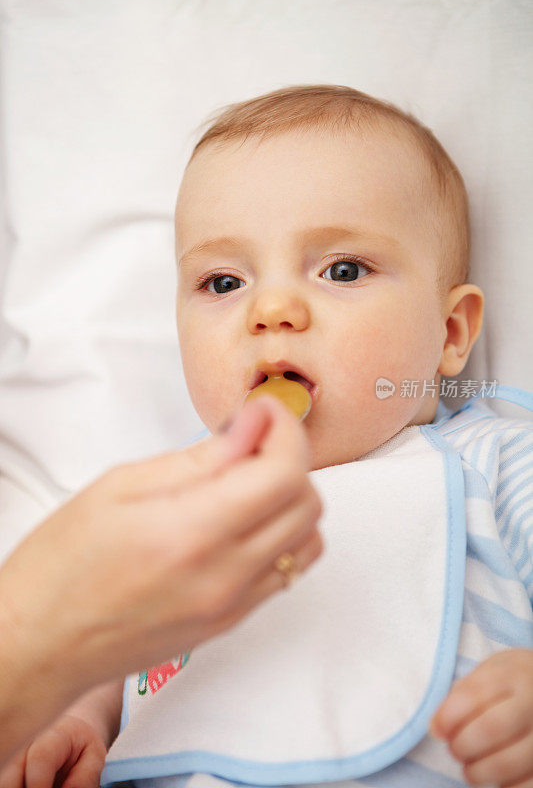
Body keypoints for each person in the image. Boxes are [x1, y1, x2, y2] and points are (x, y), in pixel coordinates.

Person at [3, 83, 533, 787]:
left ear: (450, 332)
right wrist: (80, 715)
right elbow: (115, 635)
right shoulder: (177, 495)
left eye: (342, 270)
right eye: (222, 282)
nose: (271, 308)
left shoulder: (493, 464)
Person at [0, 393, 323, 768]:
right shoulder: (187, 492)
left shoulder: (406, 482)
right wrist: (85, 716)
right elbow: (127, 644)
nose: (267, 329)